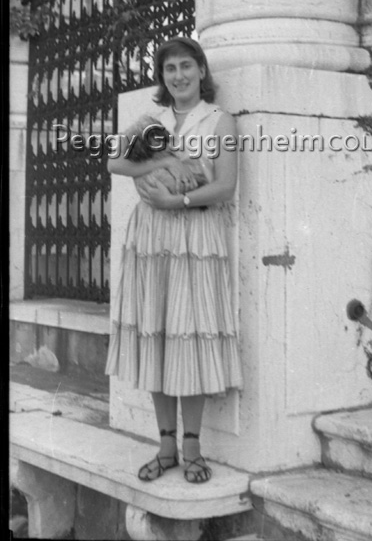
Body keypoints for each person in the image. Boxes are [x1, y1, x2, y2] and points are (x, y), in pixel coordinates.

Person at [105, 37, 243, 484]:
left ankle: (193, 448)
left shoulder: (219, 120)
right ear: (162, 77)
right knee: (157, 332)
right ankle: (165, 447)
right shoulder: (153, 120)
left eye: (186, 66)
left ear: (201, 70)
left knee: (191, 335)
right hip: (151, 237)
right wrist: (163, 161)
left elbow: (224, 188)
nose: (179, 76)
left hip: (196, 235)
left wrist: (176, 199)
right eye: (170, 69)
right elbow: (115, 163)